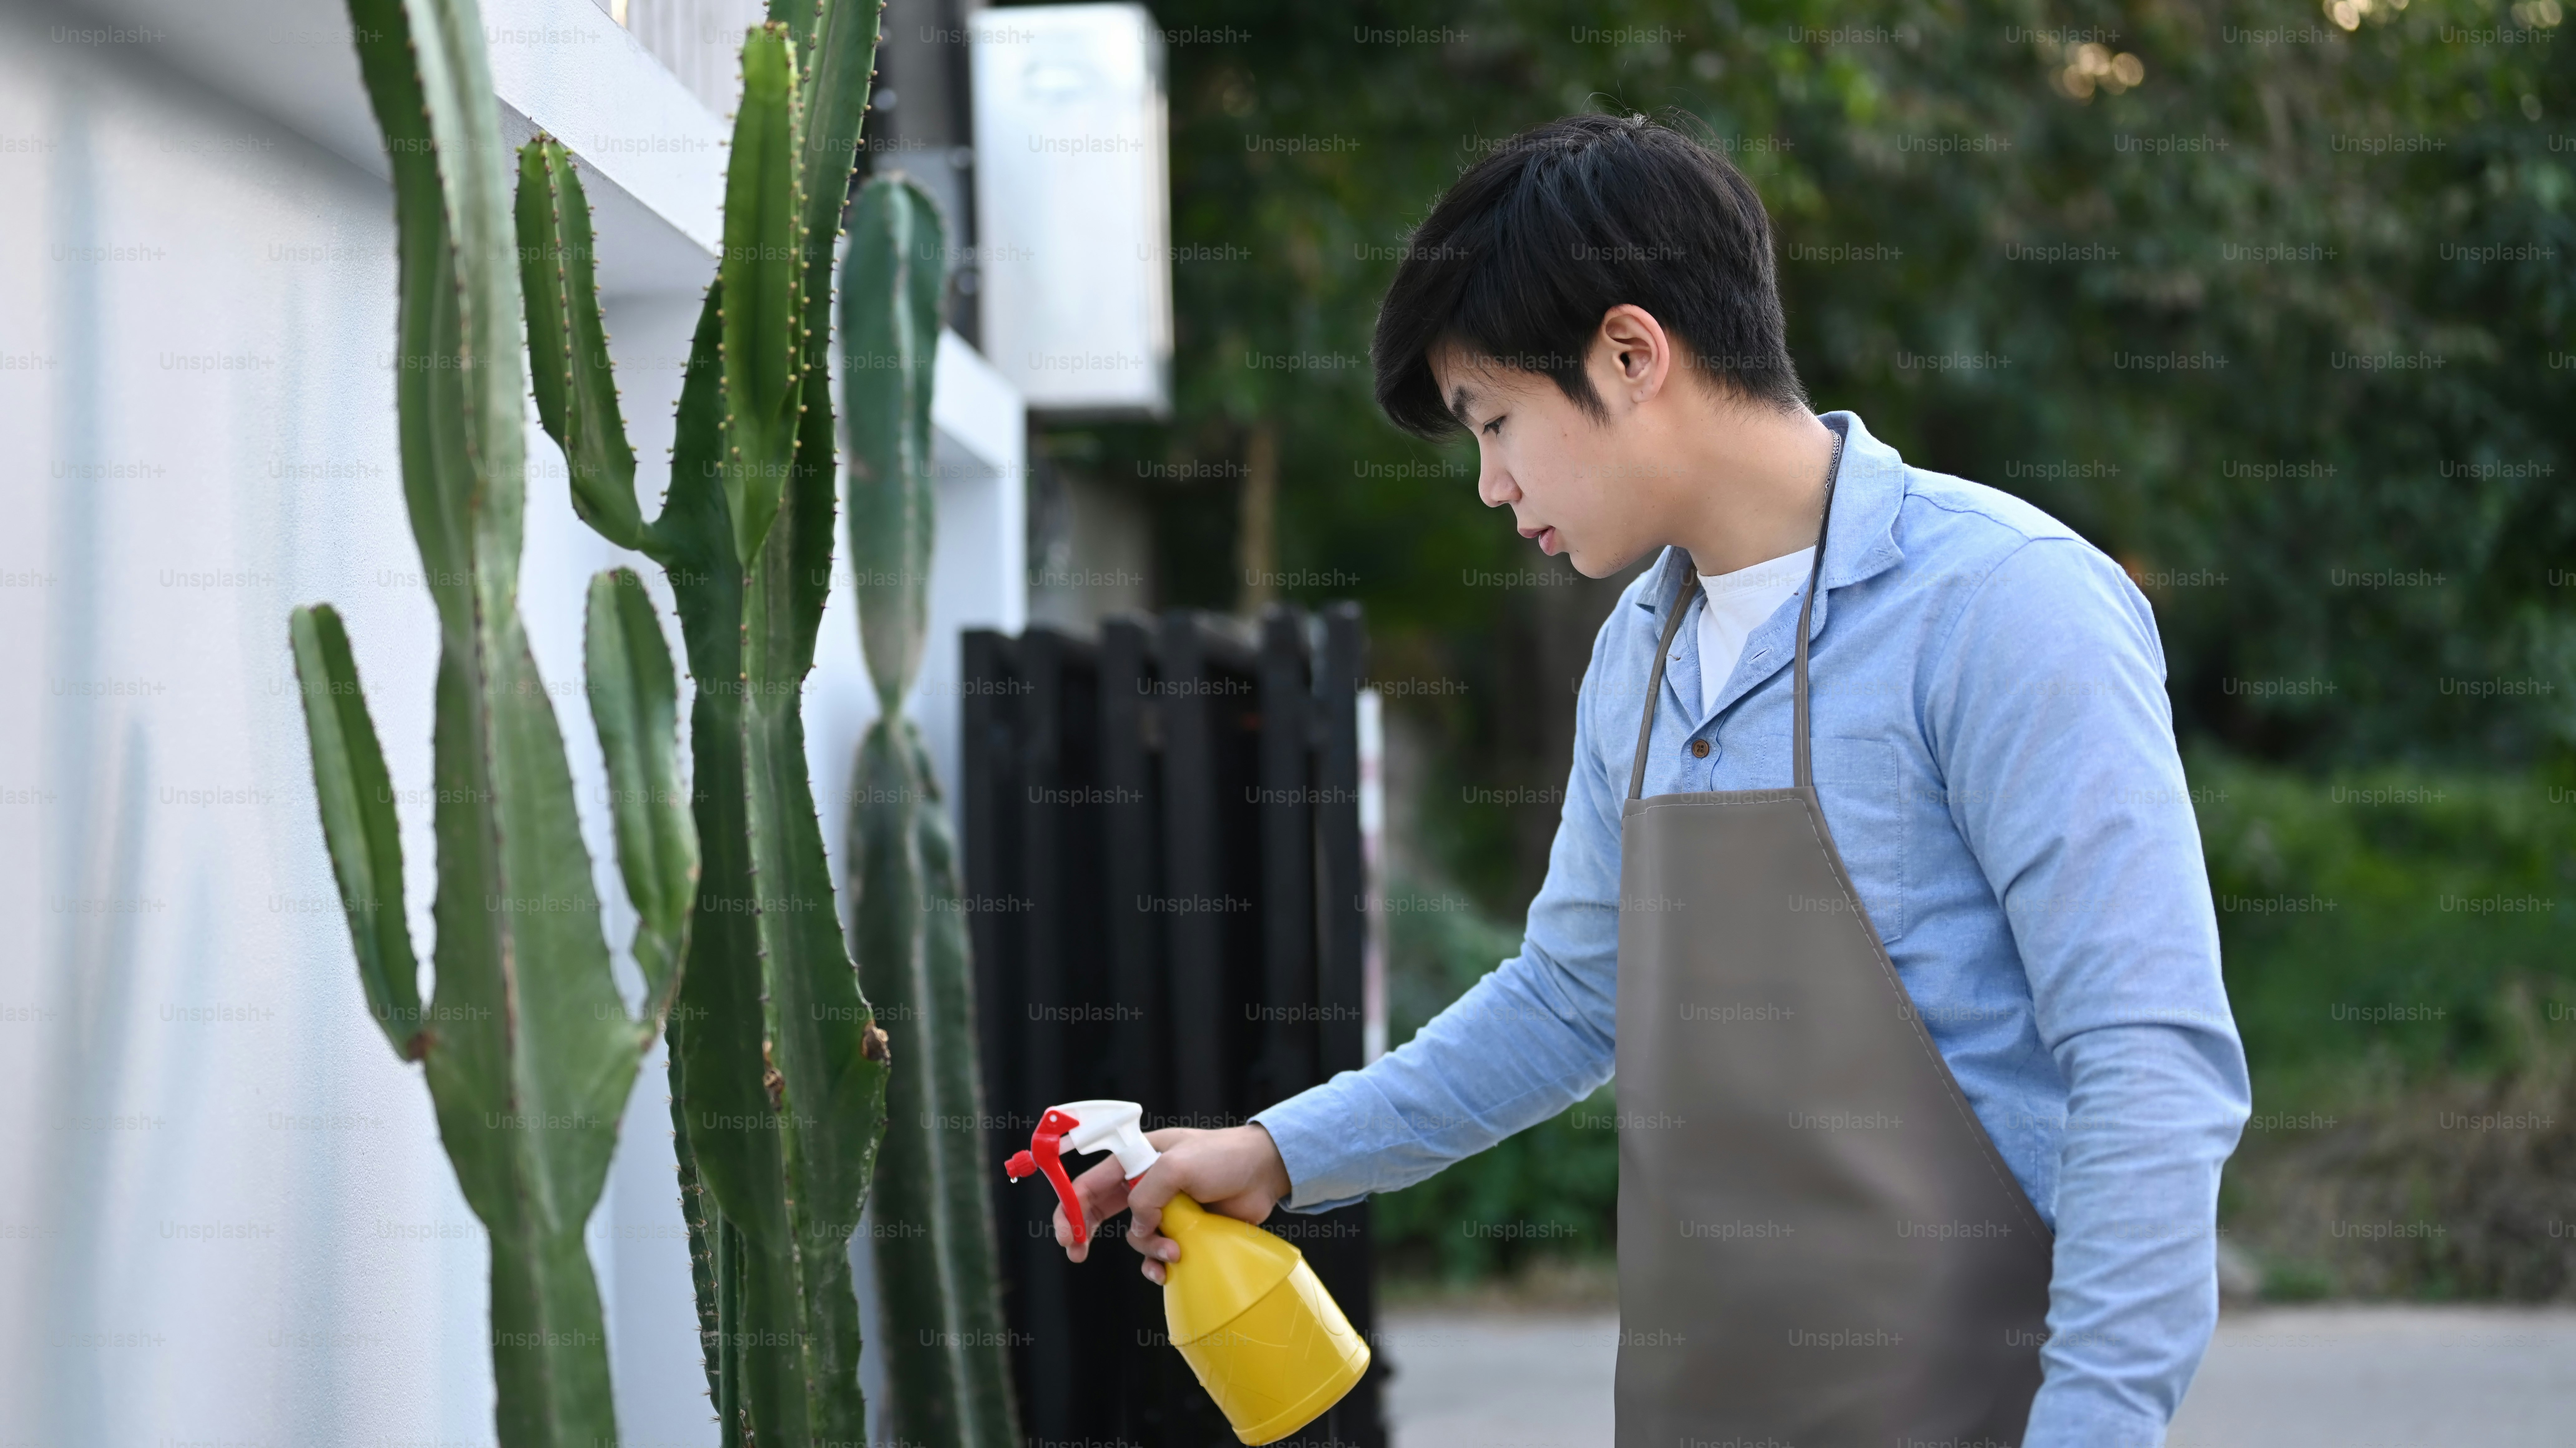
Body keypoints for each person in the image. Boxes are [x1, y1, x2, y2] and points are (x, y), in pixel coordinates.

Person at [1046, 113, 2250, 1448]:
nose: (1493, 486)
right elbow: (1571, 997)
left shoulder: (2005, 607)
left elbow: (2150, 1061)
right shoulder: (1641, 650)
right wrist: (1277, 1151)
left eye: (1495, 422)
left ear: (1631, 354)